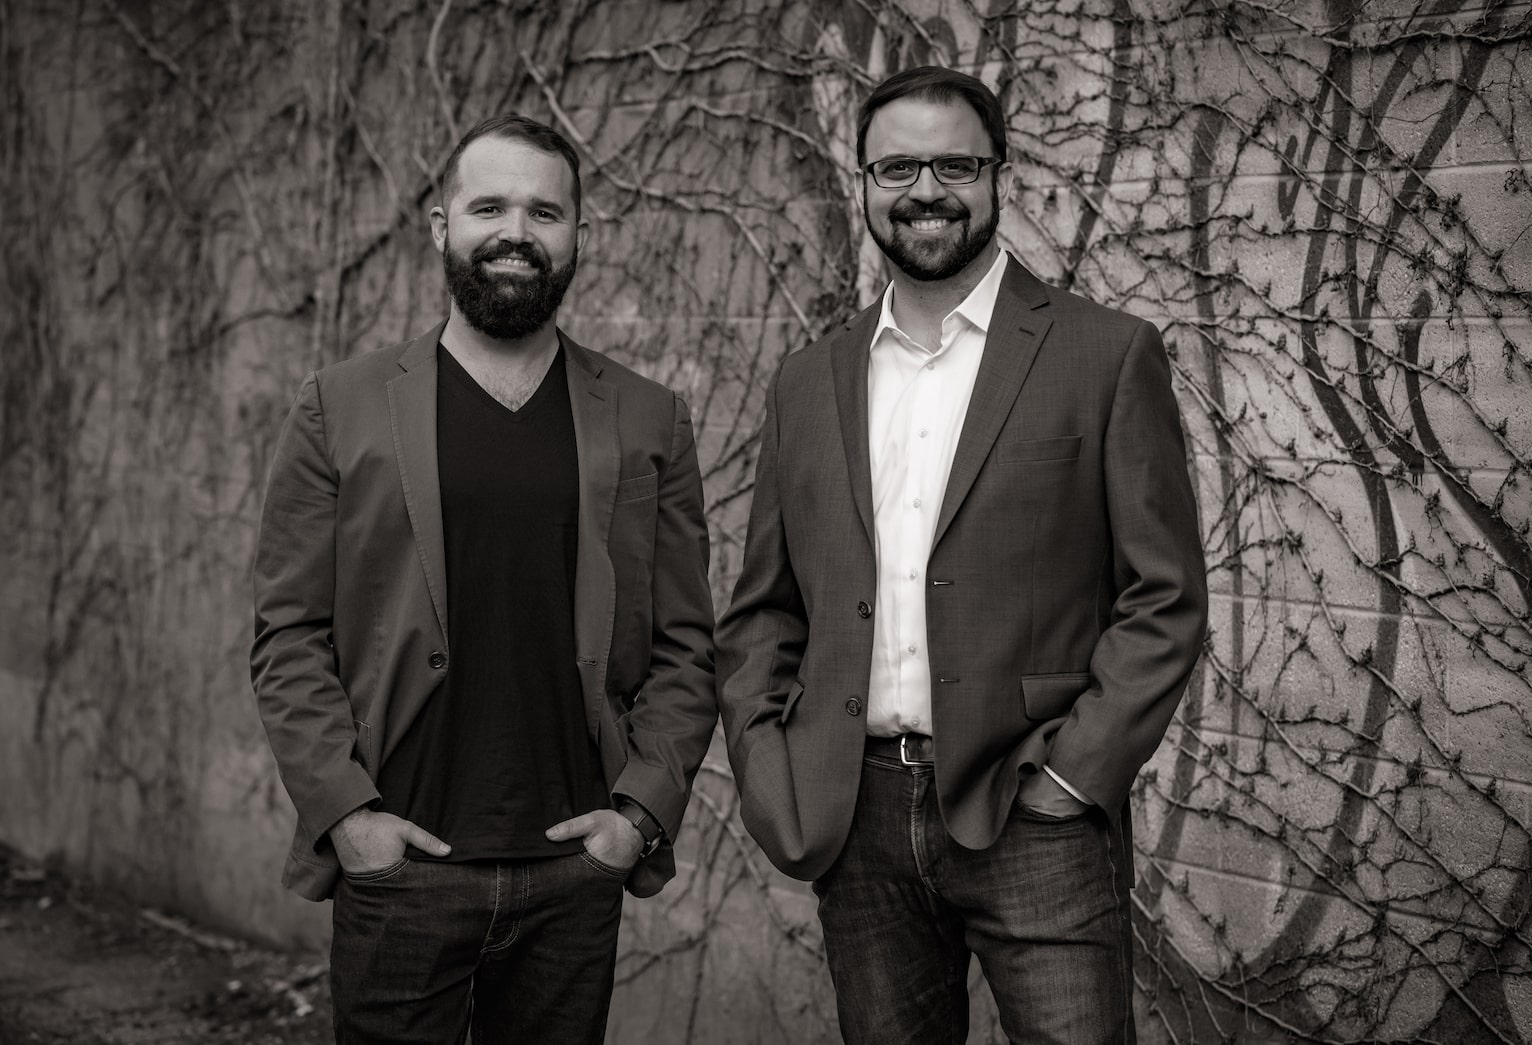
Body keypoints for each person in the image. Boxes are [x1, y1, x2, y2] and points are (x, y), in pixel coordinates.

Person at [716, 67, 1208, 1044]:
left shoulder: (1105, 355)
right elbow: (764, 610)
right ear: (860, 184)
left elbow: (1162, 596)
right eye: (896, 167)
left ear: (998, 177)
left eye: (953, 163)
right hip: (854, 819)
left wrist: (1074, 779)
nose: (925, 189)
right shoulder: (808, 381)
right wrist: (774, 776)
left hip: (1032, 815)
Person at [251, 114, 717, 1045]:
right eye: (490, 206)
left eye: (546, 211)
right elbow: (288, 634)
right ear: (440, 226)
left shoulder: (648, 417)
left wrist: (637, 815)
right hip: (402, 863)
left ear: (581, 235)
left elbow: (686, 642)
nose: (517, 230)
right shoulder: (336, 407)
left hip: (573, 873)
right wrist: (350, 816)